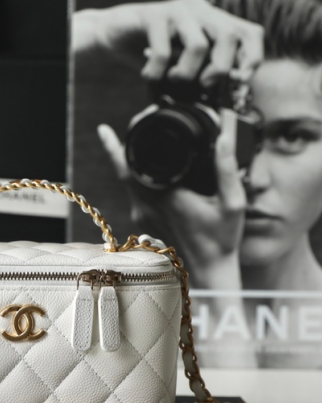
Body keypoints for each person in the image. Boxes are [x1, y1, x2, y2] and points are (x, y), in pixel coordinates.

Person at [72, 0, 322, 367]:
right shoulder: (104, 322)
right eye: (221, 137)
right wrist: (99, 29)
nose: (252, 178)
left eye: (293, 137)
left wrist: (212, 273)